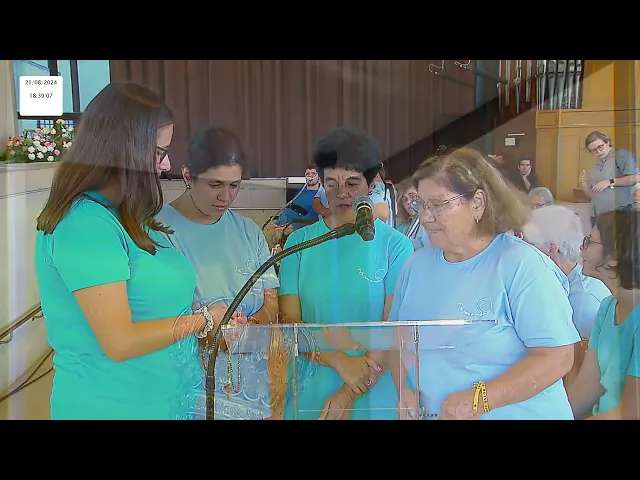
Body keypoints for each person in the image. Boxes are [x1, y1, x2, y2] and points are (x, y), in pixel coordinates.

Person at [34, 82, 244, 420]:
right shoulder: (85, 224)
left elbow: (148, 303)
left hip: (169, 403)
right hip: (114, 408)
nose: (165, 164)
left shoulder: (129, 215)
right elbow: (120, 342)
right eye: (159, 152)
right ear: (124, 150)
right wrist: (203, 321)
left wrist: (202, 312)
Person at [388, 147, 581, 420]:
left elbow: (557, 358)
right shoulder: (414, 266)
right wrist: (404, 390)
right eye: (420, 204)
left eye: (438, 204)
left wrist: (479, 400)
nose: (425, 216)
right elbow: (395, 342)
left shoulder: (522, 265)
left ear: (477, 202)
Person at [278, 126, 414, 420]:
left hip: (375, 389)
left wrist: (349, 392)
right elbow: (289, 323)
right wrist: (339, 361)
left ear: (371, 183)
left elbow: (392, 328)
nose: (342, 193)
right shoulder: (299, 243)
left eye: (352, 183)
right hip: (312, 384)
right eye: (331, 183)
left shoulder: (395, 246)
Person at [156, 125, 280, 420]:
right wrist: (208, 328)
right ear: (188, 176)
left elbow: (271, 303)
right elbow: (155, 316)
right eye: (215, 185)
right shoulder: (158, 232)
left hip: (251, 393)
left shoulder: (248, 232)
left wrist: (247, 326)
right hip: (189, 395)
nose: (226, 196)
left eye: (234, 185)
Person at [566, 210, 640, 420]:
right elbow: (585, 389)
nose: (582, 248)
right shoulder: (608, 307)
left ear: (614, 256)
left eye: (589, 241)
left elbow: (629, 415)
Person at [522, 205, 611, 339]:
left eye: (528, 243)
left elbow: (576, 350)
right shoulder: (550, 280)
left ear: (551, 249)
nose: (522, 249)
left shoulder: (583, 300)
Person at [579, 131, 640, 226]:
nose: (598, 152)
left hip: (617, 214)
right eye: (593, 150)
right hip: (597, 215)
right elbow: (591, 194)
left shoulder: (621, 155)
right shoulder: (596, 165)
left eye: (600, 147)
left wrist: (609, 182)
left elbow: (636, 177)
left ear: (607, 142)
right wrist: (583, 182)